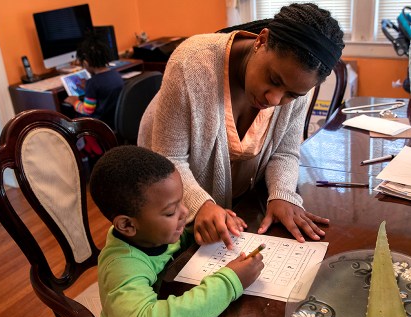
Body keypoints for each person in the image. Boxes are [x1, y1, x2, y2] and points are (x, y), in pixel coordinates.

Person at [138, 3, 345, 249]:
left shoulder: (297, 86)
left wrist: (282, 194)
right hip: (169, 208)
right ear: (262, 41)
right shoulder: (192, 64)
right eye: (273, 80)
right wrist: (201, 204)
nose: (275, 100)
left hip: (235, 211)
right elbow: (169, 159)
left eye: (291, 94)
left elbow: (285, 151)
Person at [89, 146, 264, 317]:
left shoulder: (152, 232)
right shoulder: (120, 268)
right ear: (127, 225)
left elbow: (182, 242)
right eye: (171, 211)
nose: (185, 212)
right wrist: (230, 282)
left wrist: (211, 228)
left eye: (182, 201)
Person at [64, 31, 124, 128]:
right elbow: (104, 93)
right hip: (114, 121)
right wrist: (87, 88)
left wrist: (74, 101)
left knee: (70, 115)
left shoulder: (93, 83)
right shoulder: (115, 74)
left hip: (100, 124)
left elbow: (87, 111)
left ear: (86, 62)